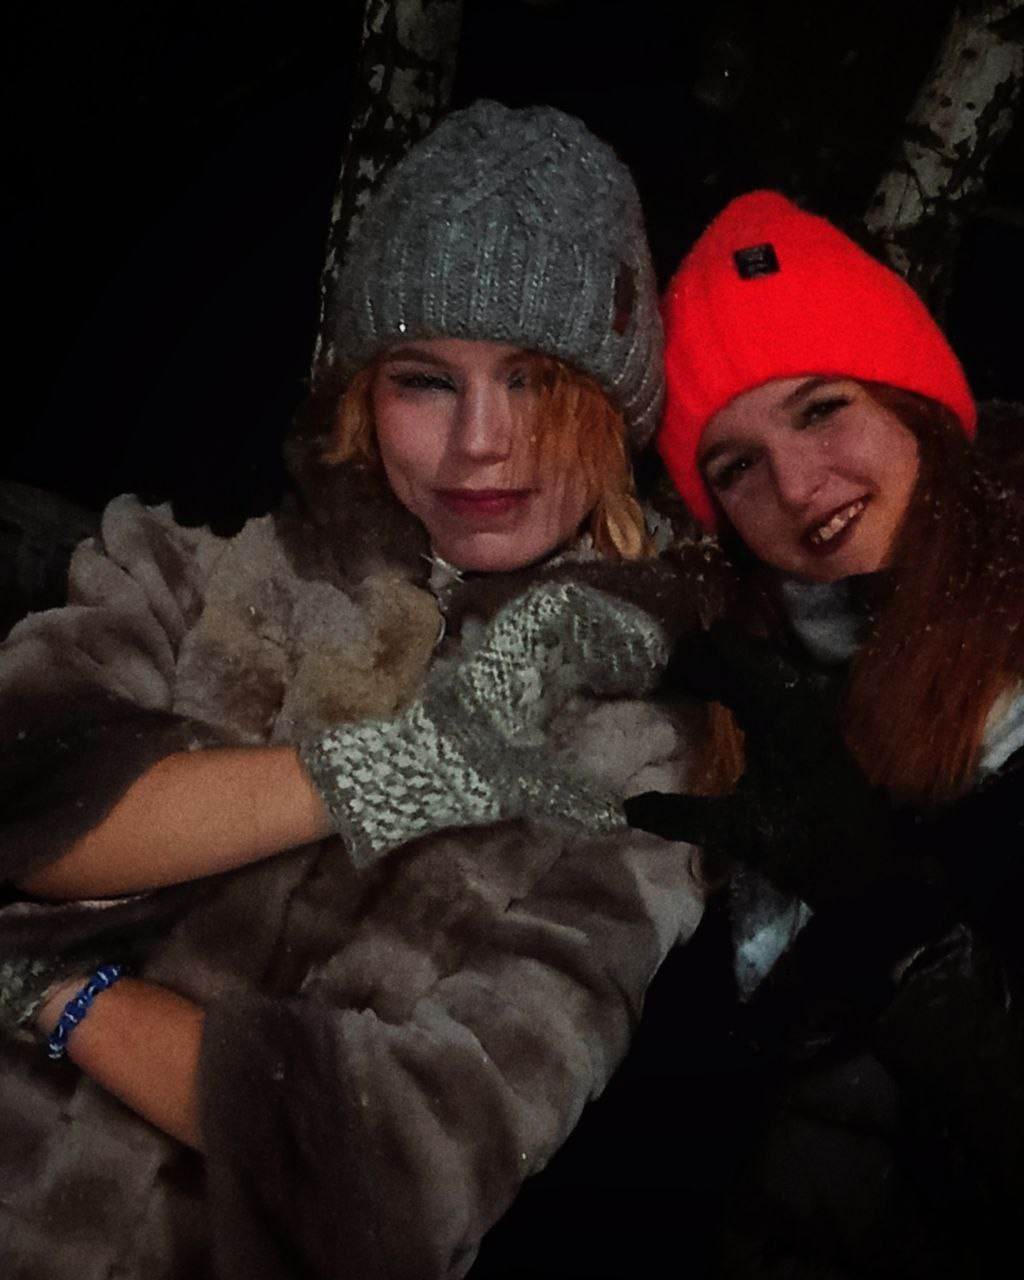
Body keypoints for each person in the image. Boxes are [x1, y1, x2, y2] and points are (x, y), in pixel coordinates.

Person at [0, 101, 724, 1280]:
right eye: (425, 379)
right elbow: (29, 810)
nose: (480, 441)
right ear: (361, 395)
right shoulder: (191, 563)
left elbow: (400, 1176)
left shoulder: (653, 752)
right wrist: (397, 770)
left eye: (535, 381)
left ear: (614, 412)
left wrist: (58, 995)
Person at [622, 191, 1024, 1279]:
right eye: (734, 465)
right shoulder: (740, 697)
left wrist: (894, 926)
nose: (796, 484)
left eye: (820, 408)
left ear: (911, 395)